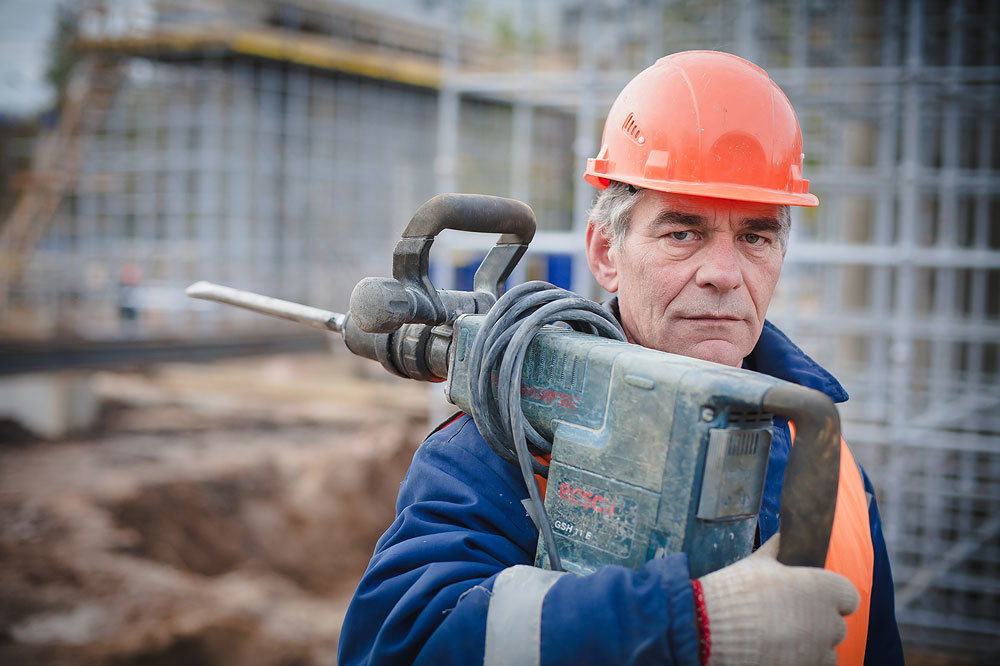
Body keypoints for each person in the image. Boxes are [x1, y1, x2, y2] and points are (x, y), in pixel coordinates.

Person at [338, 51, 903, 666]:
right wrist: (692, 626)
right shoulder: (508, 443)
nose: (723, 273)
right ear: (606, 251)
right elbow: (399, 644)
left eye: (755, 237)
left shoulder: (834, 470)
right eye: (682, 232)